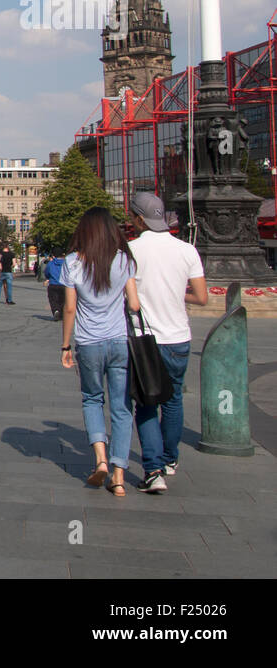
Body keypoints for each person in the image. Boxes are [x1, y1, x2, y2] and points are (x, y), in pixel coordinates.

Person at [127, 192, 208, 494]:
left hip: (145, 339)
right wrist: (177, 294)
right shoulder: (187, 250)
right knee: (173, 401)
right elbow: (201, 297)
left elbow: (126, 296)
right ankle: (170, 459)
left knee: (146, 403)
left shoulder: (130, 250)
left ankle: (153, 470)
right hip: (179, 338)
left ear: (138, 218)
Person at [60, 207, 140, 498]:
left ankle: (101, 460)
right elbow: (134, 305)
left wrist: (66, 346)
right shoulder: (124, 260)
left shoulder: (72, 262)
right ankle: (119, 476)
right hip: (119, 342)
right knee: (121, 407)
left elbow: (69, 307)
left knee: (92, 399)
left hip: (88, 342)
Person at [45, 253, 66, 320]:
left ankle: (56, 311)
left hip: (53, 284)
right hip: (63, 284)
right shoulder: (66, 263)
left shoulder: (50, 263)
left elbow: (47, 273)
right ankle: (62, 314)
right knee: (62, 300)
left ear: (53, 256)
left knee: (53, 299)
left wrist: (48, 277)